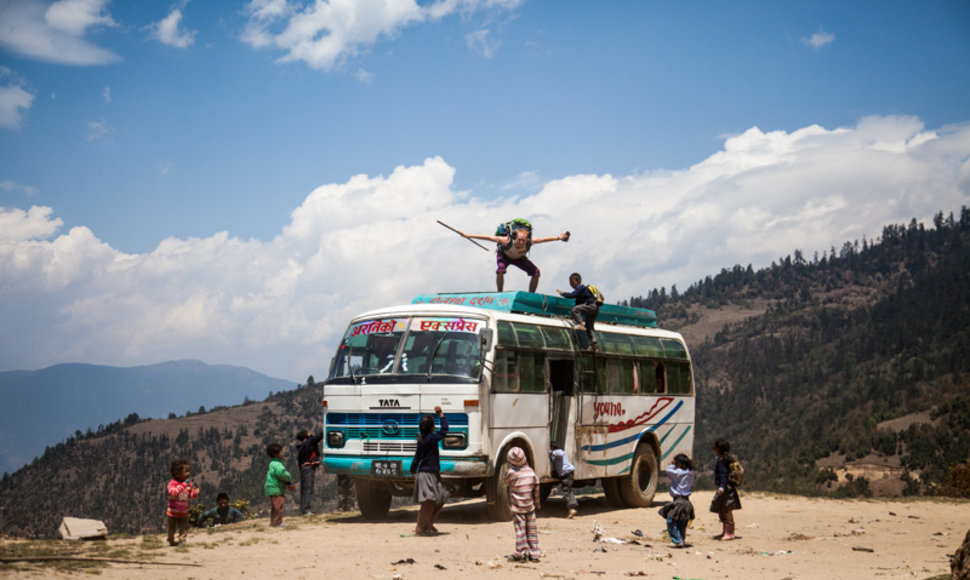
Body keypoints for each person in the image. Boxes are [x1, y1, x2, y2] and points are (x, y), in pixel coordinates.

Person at [457, 221, 569, 292]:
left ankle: (531, 295)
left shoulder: (530, 242)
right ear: (516, 238)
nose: (521, 242)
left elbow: (544, 239)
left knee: (536, 272)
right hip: (504, 256)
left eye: (523, 240)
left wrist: (559, 237)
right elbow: (488, 237)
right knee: (501, 269)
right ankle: (499, 293)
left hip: (519, 259)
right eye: (519, 240)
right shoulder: (506, 240)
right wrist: (468, 235)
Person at [410, 405, 449, 536]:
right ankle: (420, 527)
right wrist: (441, 415)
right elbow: (444, 430)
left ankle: (428, 523)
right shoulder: (431, 439)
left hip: (430, 473)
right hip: (427, 474)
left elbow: (417, 457)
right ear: (432, 428)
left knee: (442, 496)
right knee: (428, 501)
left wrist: (413, 469)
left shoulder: (421, 440)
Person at [504, 446, 541, 562]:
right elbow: (536, 489)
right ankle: (534, 554)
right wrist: (537, 503)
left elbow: (505, 482)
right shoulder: (531, 472)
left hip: (518, 507)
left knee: (520, 530)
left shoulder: (511, 473)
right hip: (530, 507)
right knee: (532, 531)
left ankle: (520, 553)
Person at [658, 453, 696, 547]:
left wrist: (672, 463)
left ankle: (677, 540)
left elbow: (668, 470)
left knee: (671, 520)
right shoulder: (690, 473)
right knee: (682, 522)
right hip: (687, 501)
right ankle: (682, 539)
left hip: (678, 500)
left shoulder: (678, 473)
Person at [557, 272, 600, 351]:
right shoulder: (584, 290)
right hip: (596, 309)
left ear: (578, 281)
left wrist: (562, 293)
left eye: (572, 282)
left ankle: (581, 324)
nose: (571, 285)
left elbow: (572, 295)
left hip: (590, 306)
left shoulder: (580, 288)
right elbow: (579, 302)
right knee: (590, 327)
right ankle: (594, 344)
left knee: (575, 309)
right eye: (570, 283)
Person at [710, 438, 742, 540]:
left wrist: (722, 487)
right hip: (727, 488)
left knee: (726, 510)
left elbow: (723, 475)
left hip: (725, 488)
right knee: (723, 509)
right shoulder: (725, 459)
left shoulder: (721, 461)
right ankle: (726, 532)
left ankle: (729, 533)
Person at [166, 458, 198, 546]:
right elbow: (174, 493)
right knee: (171, 528)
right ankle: (171, 539)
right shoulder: (172, 484)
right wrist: (183, 486)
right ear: (177, 473)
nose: (188, 473)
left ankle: (182, 539)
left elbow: (190, 495)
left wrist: (194, 493)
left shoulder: (189, 484)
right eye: (186, 471)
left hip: (184, 512)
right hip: (172, 512)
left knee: (184, 528)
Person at [264, 443, 294, 527]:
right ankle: (278, 522)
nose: (282, 453)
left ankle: (273, 522)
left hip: (272, 487)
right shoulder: (277, 464)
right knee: (278, 506)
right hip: (276, 488)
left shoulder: (272, 463)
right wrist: (288, 478)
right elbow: (282, 474)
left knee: (275, 506)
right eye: (281, 452)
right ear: (276, 454)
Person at [295, 429, 324, 515]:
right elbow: (319, 436)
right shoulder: (310, 441)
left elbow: (299, 462)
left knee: (304, 489)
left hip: (303, 469)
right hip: (309, 468)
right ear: (306, 435)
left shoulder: (301, 447)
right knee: (308, 489)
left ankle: (303, 509)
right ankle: (306, 510)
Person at [549, 441, 578, 519]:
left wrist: (551, 452)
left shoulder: (558, 452)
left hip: (567, 473)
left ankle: (572, 508)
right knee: (568, 489)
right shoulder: (555, 455)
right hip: (566, 473)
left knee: (567, 490)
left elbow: (560, 453)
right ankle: (572, 508)